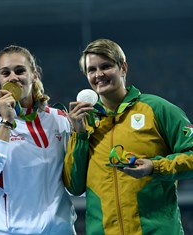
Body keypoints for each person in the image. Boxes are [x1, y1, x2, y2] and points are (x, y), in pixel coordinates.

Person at [63, 38, 193, 235]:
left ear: (123, 68)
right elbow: (74, 185)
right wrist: (79, 134)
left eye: (106, 66)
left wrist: (154, 167)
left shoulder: (158, 109)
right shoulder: (85, 121)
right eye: (91, 70)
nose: (99, 74)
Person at [0, 45, 77, 235]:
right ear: (0, 80)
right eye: (5, 73)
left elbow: (75, 177)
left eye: (20, 71)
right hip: (13, 231)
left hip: (62, 230)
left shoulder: (59, 119)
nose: (13, 77)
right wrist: (7, 123)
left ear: (34, 75)